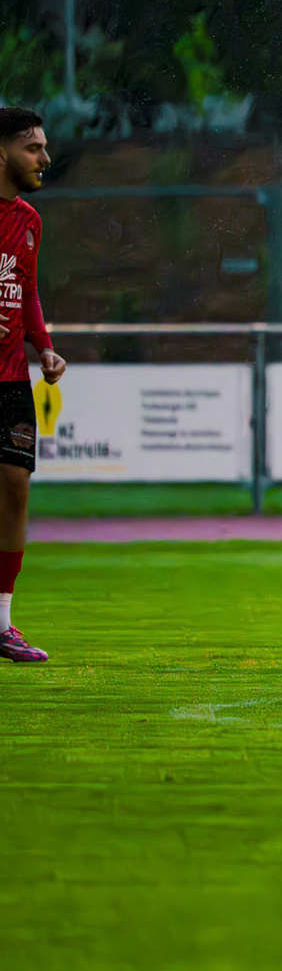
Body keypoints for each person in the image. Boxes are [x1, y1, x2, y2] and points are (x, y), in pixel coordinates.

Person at [0, 107, 66, 663]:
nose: (44, 158)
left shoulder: (29, 220)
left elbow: (28, 291)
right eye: (33, 148)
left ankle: (2, 622)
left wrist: (43, 346)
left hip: (10, 380)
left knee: (16, 488)